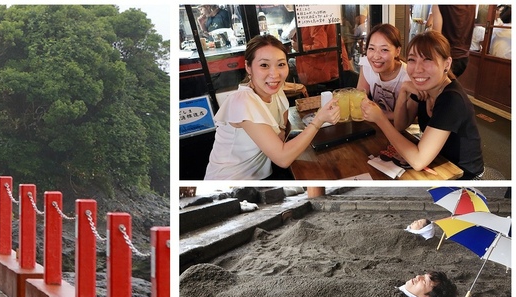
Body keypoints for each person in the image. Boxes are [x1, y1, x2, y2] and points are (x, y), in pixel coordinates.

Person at [205, 34, 341, 180]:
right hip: (231, 182)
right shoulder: (242, 102)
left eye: (281, 64)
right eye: (264, 65)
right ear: (248, 67)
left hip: (261, 175)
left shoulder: (276, 93)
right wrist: (318, 120)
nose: (274, 74)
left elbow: (281, 133)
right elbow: (283, 158)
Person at [361, 31, 484, 180]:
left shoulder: (452, 100)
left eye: (428, 59)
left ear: (447, 64)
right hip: (438, 162)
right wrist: (404, 91)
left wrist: (380, 118)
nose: (418, 69)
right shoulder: (426, 87)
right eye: (412, 60)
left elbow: (418, 161)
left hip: (463, 175)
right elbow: (400, 125)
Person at [356, 24, 409, 123]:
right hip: (375, 124)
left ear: (397, 51)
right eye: (371, 48)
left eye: (384, 50)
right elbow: (359, 100)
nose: (376, 56)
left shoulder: (408, 76)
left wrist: (379, 114)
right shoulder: (367, 65)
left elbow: (412, 117)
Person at [430, 5, 476, 77]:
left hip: (445, 57)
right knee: (449, 85)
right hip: (463, 58)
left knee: (439, 86)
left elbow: (436, 36)